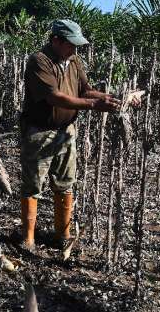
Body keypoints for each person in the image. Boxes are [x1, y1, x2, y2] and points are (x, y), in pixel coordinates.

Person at [19, 19, 121, 254]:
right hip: (39, 131)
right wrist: (95, 104)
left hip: (66, 131)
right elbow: (54, 97)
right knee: (33, 185)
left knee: (65, 183)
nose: (74, 50)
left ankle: (62, 236)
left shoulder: (73, 60)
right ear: (56, 41)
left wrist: (113, 97)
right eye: (70, 45)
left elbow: (85, 90)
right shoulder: (39, 61)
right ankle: (28, 239)